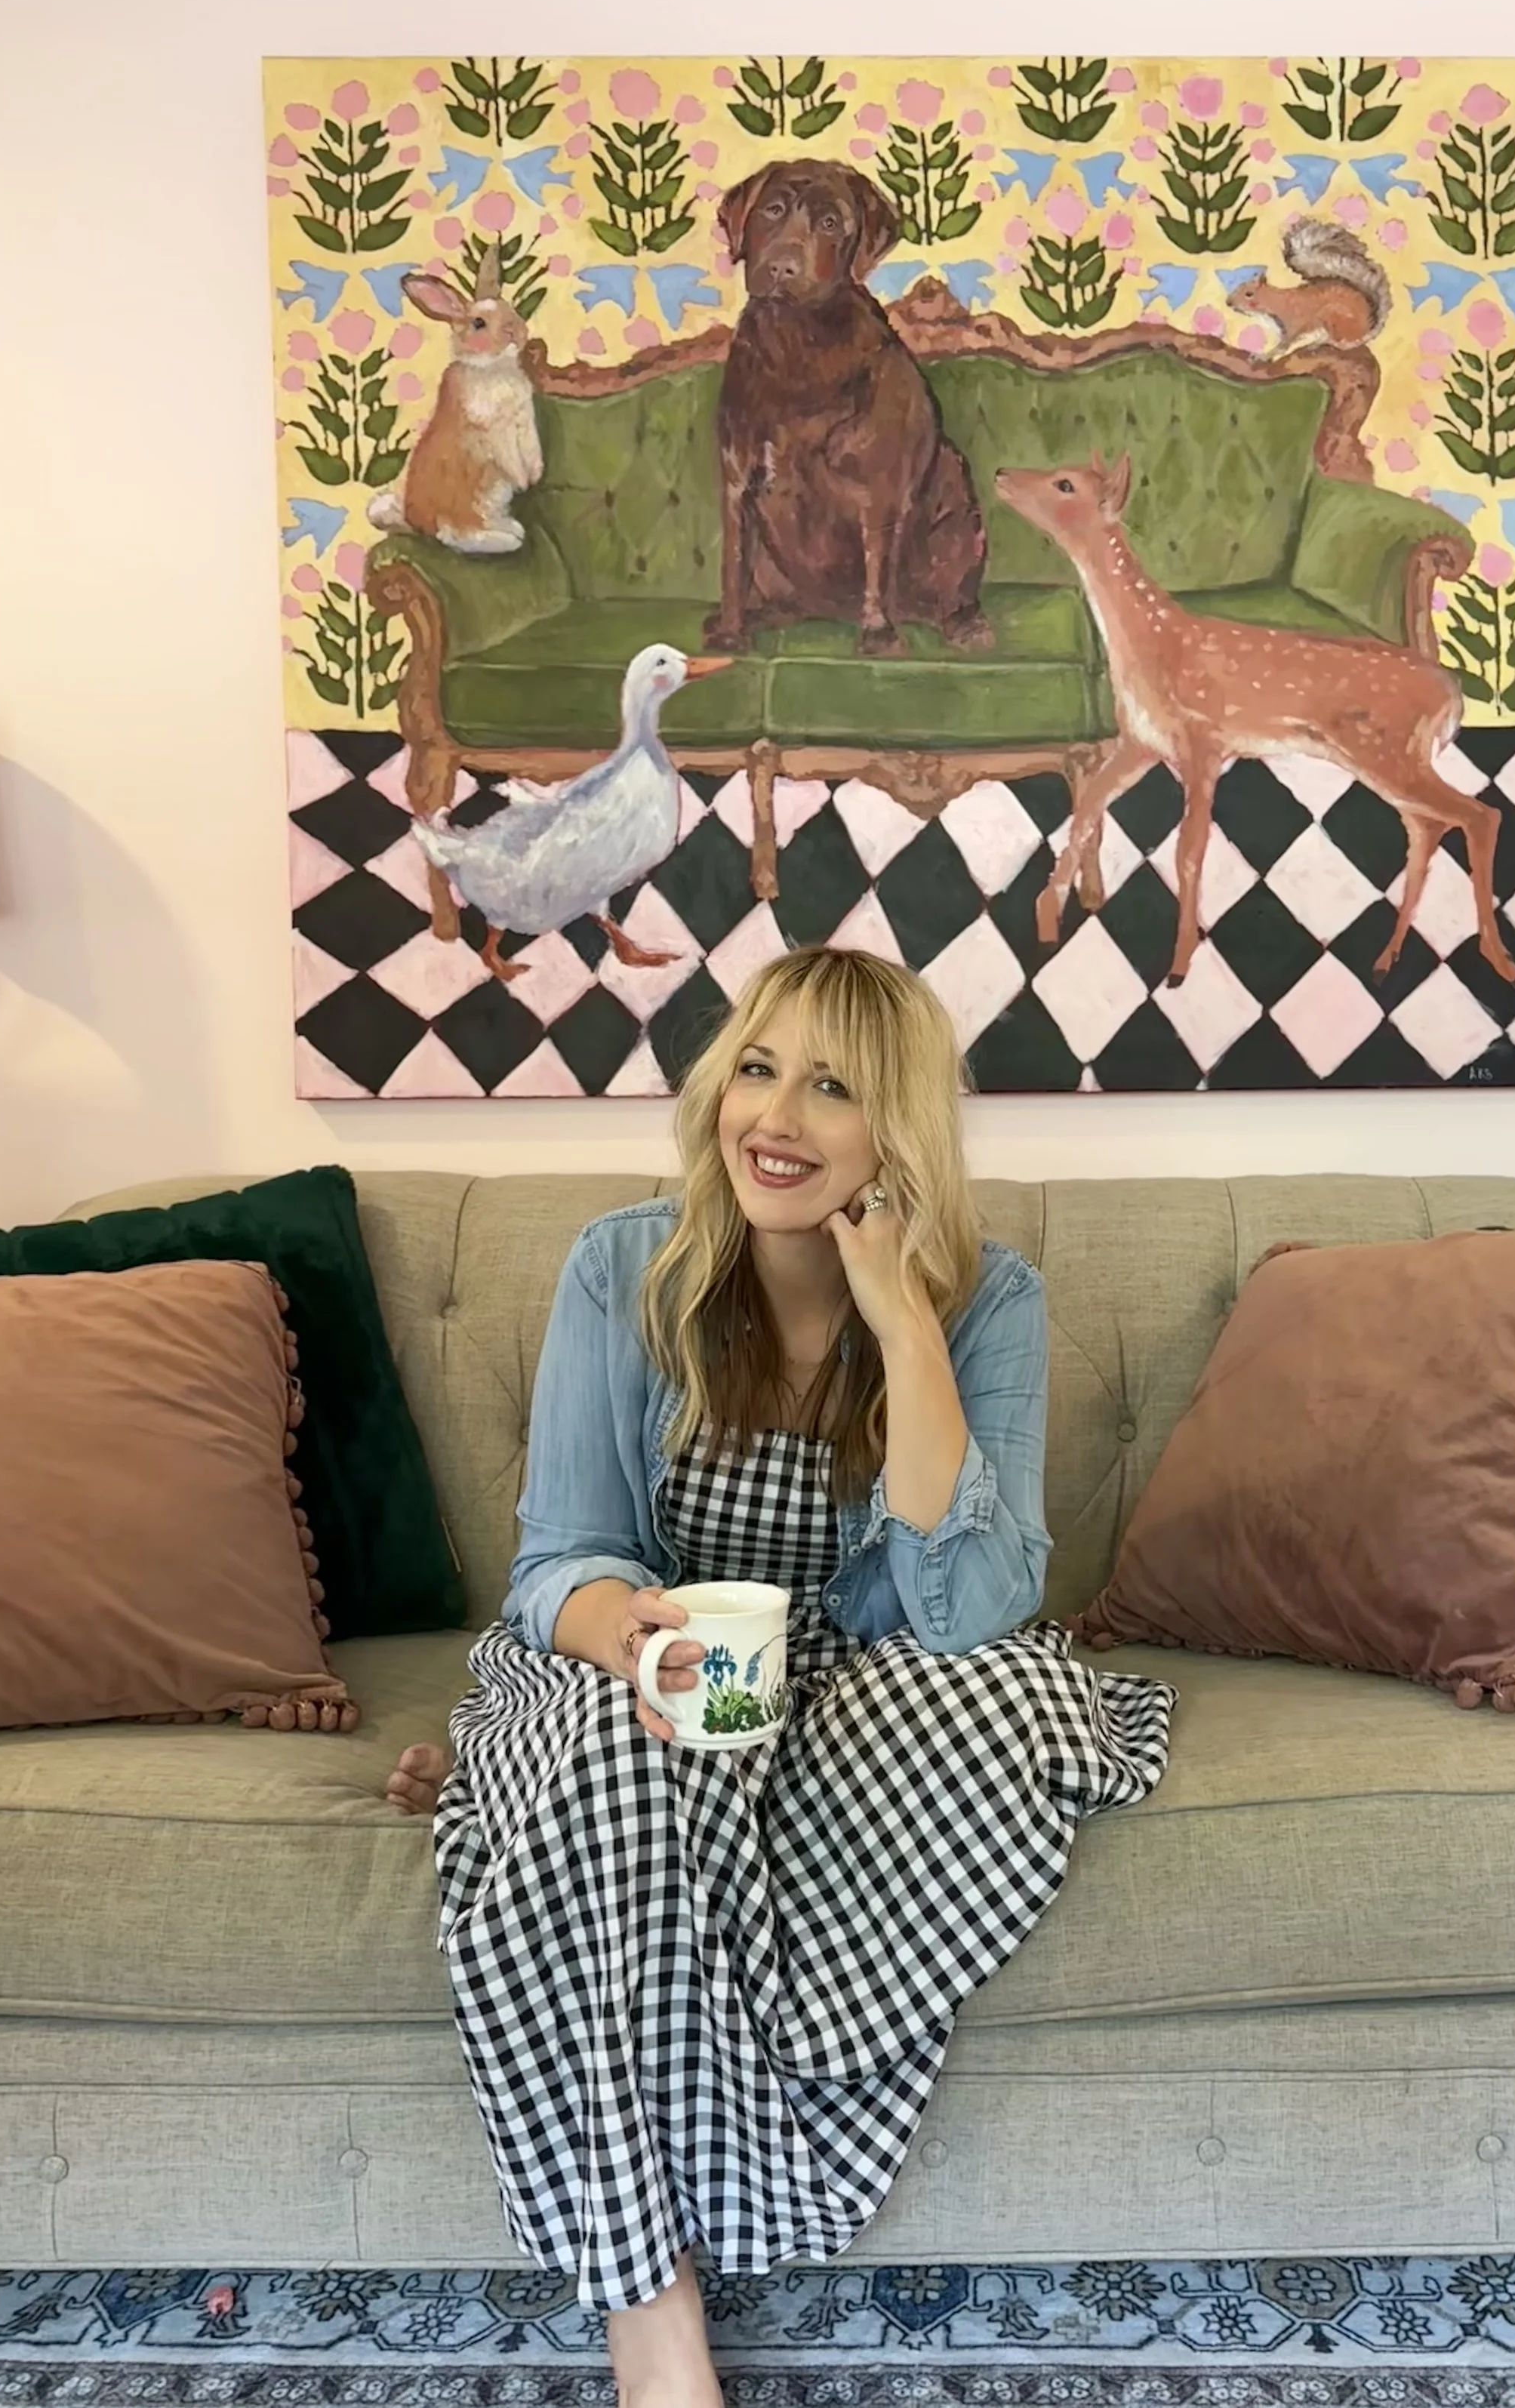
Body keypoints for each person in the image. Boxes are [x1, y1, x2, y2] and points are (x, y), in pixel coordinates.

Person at [385, 947, 1175, 2406]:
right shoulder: (624, 1266)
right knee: (627, 1755)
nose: (780, 1118)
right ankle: (652, 2313)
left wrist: (903, 1321)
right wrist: (637, 1641)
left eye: (834, 1088)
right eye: (760, 1067)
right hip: (644, 1645)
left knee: (1003, 1702)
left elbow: (975, 1608)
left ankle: (690, 1983)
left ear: (899, 1136)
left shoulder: (988, 1297)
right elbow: (560, 1557)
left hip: (857, 1676)